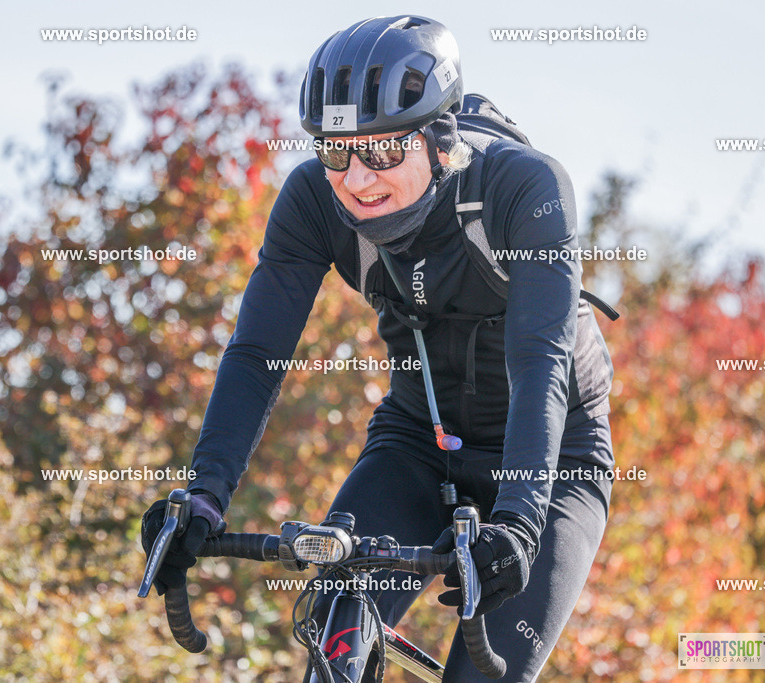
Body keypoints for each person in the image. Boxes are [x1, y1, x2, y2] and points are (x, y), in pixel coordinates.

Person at [143, 15, 616, 681]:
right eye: (336, 151)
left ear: (440, 137)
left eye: (385, 151)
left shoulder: (523, 190)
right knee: (335, 639)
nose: (357, 179)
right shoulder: (314, 200)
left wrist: (517, 527)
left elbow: (541, 366)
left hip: (553, 453)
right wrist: (202, 497)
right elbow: (256, 353)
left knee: (484, 674)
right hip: (417, 441)